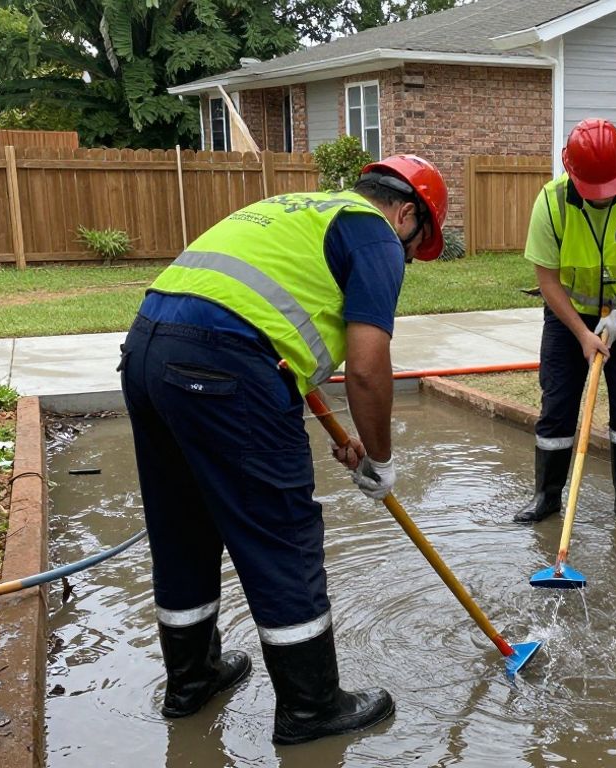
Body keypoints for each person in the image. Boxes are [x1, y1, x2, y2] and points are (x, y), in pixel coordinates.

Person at [118, 155, 448, 745]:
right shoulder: (374, 235)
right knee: (281, 532)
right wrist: (382, 458)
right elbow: (370, 369)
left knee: (183, 523)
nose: (405, 261)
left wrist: (346, 435)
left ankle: (191, 683)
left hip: (146, 351)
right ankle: (311, 709)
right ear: (405, 215)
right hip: (222, 365)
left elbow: (273, 319)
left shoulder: (302, 208)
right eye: (414, 248)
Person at [513, 118, 616, 528]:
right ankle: (547, 498)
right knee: (557, 406)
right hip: (568, 317)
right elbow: (547, 279)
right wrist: (583, 333)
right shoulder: (550, 203)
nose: (602, 199)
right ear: (571, 171)